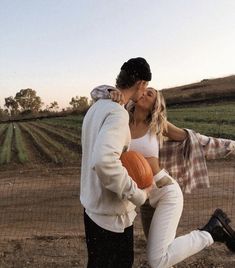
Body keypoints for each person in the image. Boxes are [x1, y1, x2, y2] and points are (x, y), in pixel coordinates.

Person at [91, 85, 235, 268]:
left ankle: (210, 232)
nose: (144, 93)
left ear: (155, 105)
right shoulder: (120, 119)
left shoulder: (157, 125)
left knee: (157, 260)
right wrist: (110, 92)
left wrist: (232, 146)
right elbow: (95, 93)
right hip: (144, 201)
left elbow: (196, 140)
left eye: (150, 94)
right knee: (162, 256)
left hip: (166, 193)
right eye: (144, 90)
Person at [80, 57, 154, 268]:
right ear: (141, 84)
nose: (144, 92)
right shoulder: (117, 114)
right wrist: (138, 195)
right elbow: (105, 162)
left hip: (92, 210)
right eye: (145, 87)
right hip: (111, 219)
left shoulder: (96, 108)